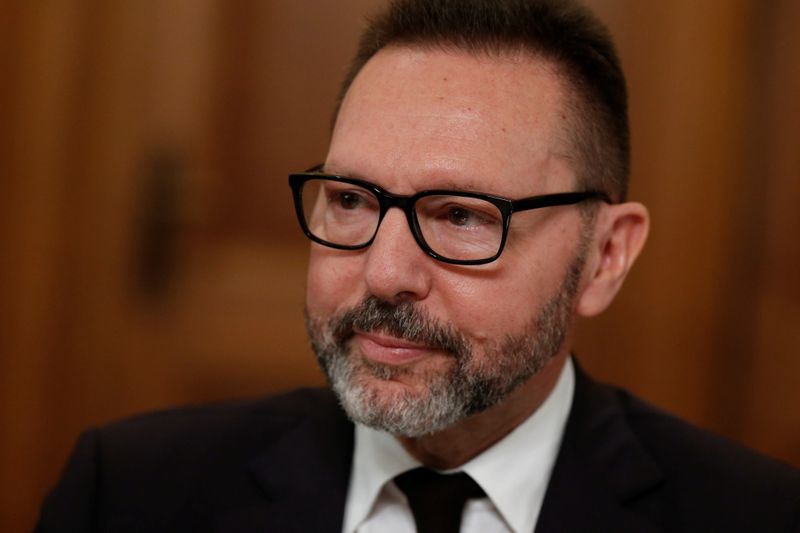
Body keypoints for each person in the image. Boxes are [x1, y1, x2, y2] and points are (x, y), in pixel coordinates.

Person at [37, 0, 800, 531]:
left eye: (462, 216)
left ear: (605, 256)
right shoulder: (131, 492)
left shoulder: (755, 517)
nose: (383, 271)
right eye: (351, 200)